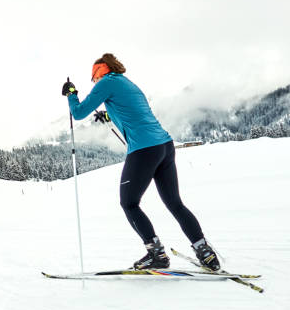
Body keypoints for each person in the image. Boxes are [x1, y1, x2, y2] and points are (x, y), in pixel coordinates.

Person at [61, 53, 220, 271]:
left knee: (129, 203)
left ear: (99, 72)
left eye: (93, 79)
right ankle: (206, 254)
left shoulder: (105, 82)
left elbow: (78, 113)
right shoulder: (128, 83)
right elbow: (132, 111)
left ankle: (157, 254)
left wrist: (72, 94)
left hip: (144, 150)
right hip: (164, 146)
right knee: (175, 203)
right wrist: (108, 117)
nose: (94, 83)